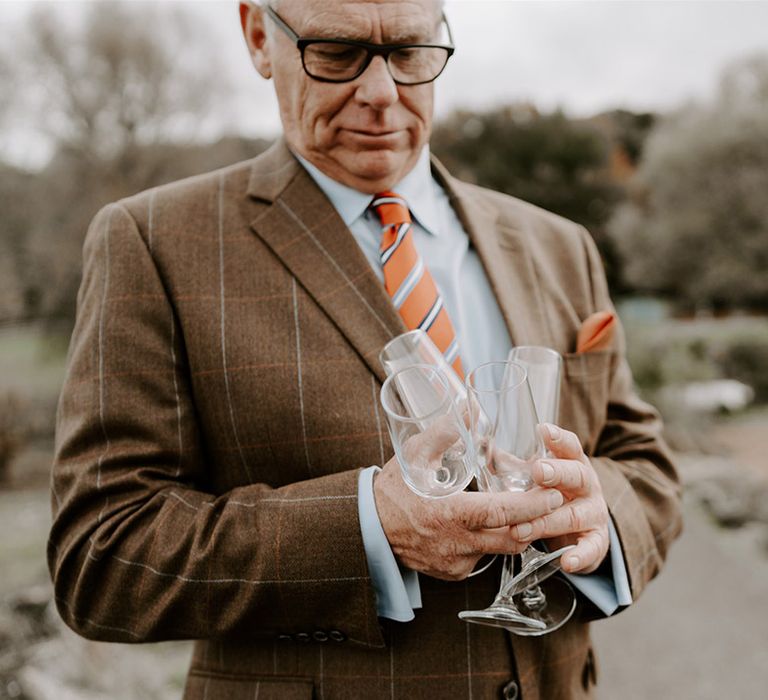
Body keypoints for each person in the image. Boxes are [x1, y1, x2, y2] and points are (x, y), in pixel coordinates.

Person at [48, 1, 682, 698]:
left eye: (410, 51)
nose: (381, 93)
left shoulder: (560, 245)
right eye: (337, 51)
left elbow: (644, 465)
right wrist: (368, 529)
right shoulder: (153, 243)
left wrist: (600, 518)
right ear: (261, 38)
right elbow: (100, 558)